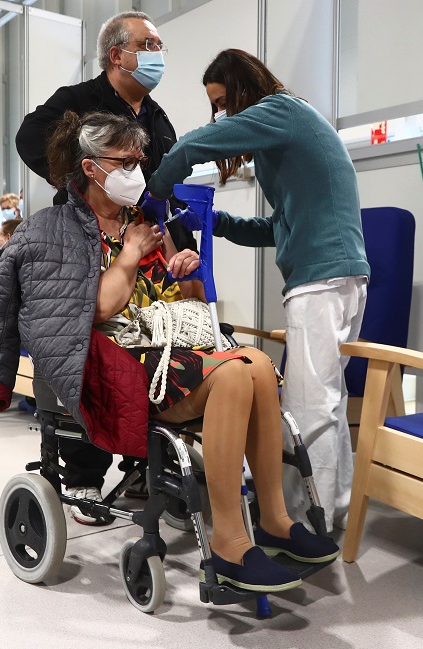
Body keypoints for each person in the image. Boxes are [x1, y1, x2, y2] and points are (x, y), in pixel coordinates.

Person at [0, 111, 337, 592]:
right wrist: (128, 256)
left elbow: (181, 306)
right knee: (232, 375)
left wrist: (183, 272)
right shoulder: (49, 231)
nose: (137, 172)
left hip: (164, 348)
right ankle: (229, 542)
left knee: (260, 365)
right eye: (125, 161)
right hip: (102, 361)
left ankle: (273, 518)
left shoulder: (146, 222)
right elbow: (96, 308)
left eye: (140, 160)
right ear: (90, 168)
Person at [147, 49, 370, 532]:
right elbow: (279, 227)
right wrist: (219, 222)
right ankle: (332, 515)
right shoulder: (291, 128)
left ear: (246, 87)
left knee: (309, 408)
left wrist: (159, 187)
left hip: (320, 281)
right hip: (341, 277)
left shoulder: (282, 111)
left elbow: (196, 145)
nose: (225, 114)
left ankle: (300, 523)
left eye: (226, 101)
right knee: (329, 402)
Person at [14, 10, 195, 253]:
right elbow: (29, 137)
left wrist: (187, 246)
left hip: (157, 247)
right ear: (117, 55)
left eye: (159, 46)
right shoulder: (78, 99)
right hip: (92, 244)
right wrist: (79, 182)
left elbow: (173, 190)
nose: (157, 53)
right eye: (147, 45)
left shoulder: (159, 118)